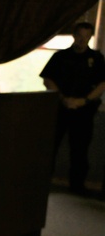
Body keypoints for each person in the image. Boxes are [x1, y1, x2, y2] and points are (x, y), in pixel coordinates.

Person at [40, 22, 105, 195]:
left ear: (90, 37)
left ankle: (77, 186)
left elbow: (102, 84)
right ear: (74, 35)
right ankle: (42, 182)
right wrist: (63, 98)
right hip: (59, 108)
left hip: (84, 110)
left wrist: (83, 101)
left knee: (80, 150)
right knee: (50, 147)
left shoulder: (97, 59)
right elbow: (47, 79)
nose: (82, 39)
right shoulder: (60, 57)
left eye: (86, 36)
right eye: (80, 35)